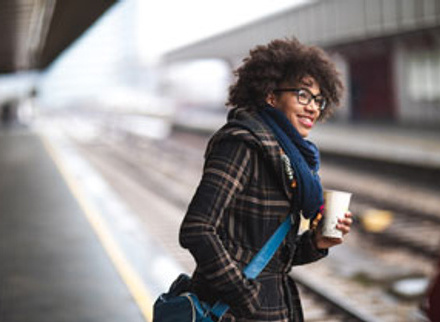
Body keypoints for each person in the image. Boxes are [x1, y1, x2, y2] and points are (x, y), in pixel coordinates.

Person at [179, 38, 353, 321]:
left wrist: (316, 242)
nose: (313, 108)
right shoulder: (242, 144)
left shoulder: (290, 159)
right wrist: (244, 295)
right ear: (271, 95)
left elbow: (270, 256)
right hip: (235, 313)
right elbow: (197, 229)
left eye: (318, 100)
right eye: (302, 95)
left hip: (274, 308)